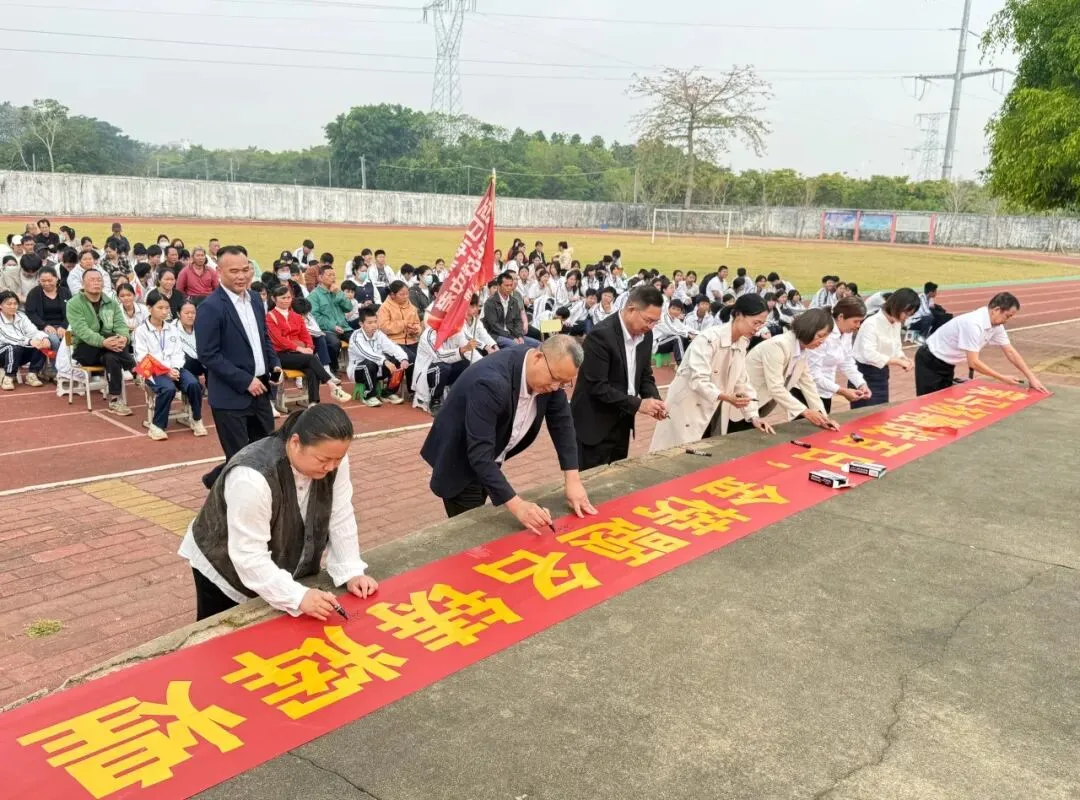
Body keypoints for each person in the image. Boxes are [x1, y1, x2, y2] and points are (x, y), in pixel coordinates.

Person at [179, 405, 378, 621]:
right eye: (322, 461)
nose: (331, 467)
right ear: (295, 443)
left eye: (337, 460)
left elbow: (340, 513)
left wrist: (351, 570)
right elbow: (248, 554)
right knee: (221, 638)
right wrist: (297, 595)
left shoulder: (331, 457)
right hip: (224, 565)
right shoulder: (252, 478)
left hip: (276, 559)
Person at [421, 336, 596, 528]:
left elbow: (562, 424)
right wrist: (518, 506)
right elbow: (479, 455)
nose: (555, 387)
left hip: (490, 451)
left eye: (563, 383)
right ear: (538, 357)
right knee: (473, 532)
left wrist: (573, 480)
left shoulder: (549, 378)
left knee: (489, 489)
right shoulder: (491, 383)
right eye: (555, 379)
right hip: (459, 459)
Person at [195, 246, 282, 490]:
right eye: (234, 271)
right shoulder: (211, 307)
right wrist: (245, 381)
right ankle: (233, 502)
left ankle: (216, 480)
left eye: (245, 269)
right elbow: (208, 355)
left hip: (261, 389)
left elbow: (263, 337)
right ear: (219, 271)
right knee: (240, 458)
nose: (241, 276)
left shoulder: (255, 299)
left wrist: (274, 364)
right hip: (231, 396)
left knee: (266, 450)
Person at [650, 294, 774, 451]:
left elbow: (742, 381)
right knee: (671, 455)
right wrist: (726, 397)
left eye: (762, 324)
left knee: (700, 454)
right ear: (738, 315)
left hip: (712, 406)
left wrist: (754, 416)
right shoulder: (708, 339)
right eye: (755, 323)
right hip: (686, 407)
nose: (758, 329)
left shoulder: (742, 343)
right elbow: (698, 381)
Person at [571, 286, 667, 470]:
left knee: (616, 480)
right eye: (648, 320)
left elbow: (645, 374)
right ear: (631, 309)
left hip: (622, 421)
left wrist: (654, 399)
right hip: (594, 424)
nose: (651, 326)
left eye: (655, 322)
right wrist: (639, 404)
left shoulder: (646, 336)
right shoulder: (600, 336)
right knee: (592, 483)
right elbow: (597, 386)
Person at [915, 292, 1049, 396]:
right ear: (996, 310)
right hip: (930, 360)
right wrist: (1002, 378)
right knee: (929, 406)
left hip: (947, 363)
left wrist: (1031, 378)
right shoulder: (974, 324)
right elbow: (974, 363)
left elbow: (1010, 352)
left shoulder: (996, 325)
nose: (1007, 320)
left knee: (943, 404)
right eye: (1007, 316)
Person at [744, 307, 839, 431]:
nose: (821, 341)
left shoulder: (801, 349)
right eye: (820, 336)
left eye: (825, 338)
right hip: (742, 405)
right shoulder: (778, 345)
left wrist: (823, 417)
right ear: (808, 329)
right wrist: (806, 412)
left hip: (758, 405)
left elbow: (808, 383)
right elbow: (776, 387)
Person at [134, 290, 208, 441]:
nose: (164, 312)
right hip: (151, 371)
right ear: (149, 308)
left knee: (194, 384)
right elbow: (143, 358)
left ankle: (196, 418)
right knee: (168, 389)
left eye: (166, 308)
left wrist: (174, 368)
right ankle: (157, 426)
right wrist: (166, 371)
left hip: (174, 369)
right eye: (159, 308)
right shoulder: (140, 331)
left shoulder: (172, 329)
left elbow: (178, 353)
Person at [265, 284, 351, 408]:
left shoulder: (296, 316)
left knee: (312, 370)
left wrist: (309, 347)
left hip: (298, 355)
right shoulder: (270, 317)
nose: (286, 300)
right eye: (283, 298)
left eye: (288, 297)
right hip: (279, 355)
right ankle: (332, 385)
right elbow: (279, 340)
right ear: (274, 299)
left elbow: (305, 334)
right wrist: (300, 348)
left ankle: (313, 403)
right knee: (312, 359)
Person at [66, 268, 135, 415]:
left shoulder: (111, 303)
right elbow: (83, 331)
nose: (96, 283)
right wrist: (104, 342)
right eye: (92, 280)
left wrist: (123, 337)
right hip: (85, 349)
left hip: (110, 348)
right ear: (83, 284)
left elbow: (121, 326)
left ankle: (115, 400)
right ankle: (136, 371)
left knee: (112, 356)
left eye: (99, 280)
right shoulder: (74, 303)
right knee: (113, 348)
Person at [801, 296, 870, 414]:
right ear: (841, 317)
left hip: (826, 389)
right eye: (856, 321)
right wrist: (842, 391)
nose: (858, 326)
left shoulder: (846, 332)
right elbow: (813, 374)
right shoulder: (822, 333)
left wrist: (861, 383)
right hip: (805, 391)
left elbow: (847, 361)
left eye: (860, 321)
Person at [850, 288, 918, 408]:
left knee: (880, 413)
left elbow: (896, 347)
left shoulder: (896, 323)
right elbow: (869, 354)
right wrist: (897, 361)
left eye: (910, 315)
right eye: (906, 313)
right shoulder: (871, 324)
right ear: (897, 306)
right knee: (865, 415)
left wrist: (903, 358)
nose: (906, 318)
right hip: (863, 375)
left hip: (881, 374)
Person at [348, 307, 409, 407]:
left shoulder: (379, 334)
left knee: (397, 361)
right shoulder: (356, 337)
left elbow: (392, 347)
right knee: (369, 363)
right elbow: (367, 353)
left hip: (377, 369)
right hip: (358, 371)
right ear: (361, 324)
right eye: (369, 323)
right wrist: (384, 361)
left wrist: (403, 358)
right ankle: (369, 395)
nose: (373, 325)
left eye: (375, 322)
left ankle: (388, 393)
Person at [411, 318, 473, 415]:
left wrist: (483, 366)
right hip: (426, 370)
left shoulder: (455, 330)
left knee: (466, 363)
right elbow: (441, 356)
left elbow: (470, 353)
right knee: (443, 367)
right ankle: (435, 401)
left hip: (445, 367)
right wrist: (462, 350)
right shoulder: (430, 333)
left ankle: (456, 395)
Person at [0, 290, 50, 390]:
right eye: (8, 304)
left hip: (19, 352)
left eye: (15, 304)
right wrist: (29, 341)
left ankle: (32, 374)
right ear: (0, 305)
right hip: (2, 354)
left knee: (41, 345)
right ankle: (8, 377)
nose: (12, 306)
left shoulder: (21, 316)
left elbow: (33, 331)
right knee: (13, 347)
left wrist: (44, 338)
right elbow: (8, 337)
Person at [483, 270, 539, 349]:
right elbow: (494, 326)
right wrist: (511, 337)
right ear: (499, 286)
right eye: (506, 285)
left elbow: (518, 321)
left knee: (538, 344)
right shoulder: (490, 303)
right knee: (518, 347)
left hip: (513, 334)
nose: (509, 288)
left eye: (510, 285)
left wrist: (519, 335)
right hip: (496, 335)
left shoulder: (513, 301)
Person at [309, 264, 353, 361]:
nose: (332, 278)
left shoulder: (337, 291)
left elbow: (349, 308)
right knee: (334, 343)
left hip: (344, 328)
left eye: (334, 275)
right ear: (320, 277)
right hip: (326, 330)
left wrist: (339, 294)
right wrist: (333, 326)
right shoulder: (314, 296)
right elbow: (315, 317)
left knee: (358, 340)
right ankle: (333, 367)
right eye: (329, 275)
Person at [376, 279, 422, 370]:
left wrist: (415, 330)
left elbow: (417, 323)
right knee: (412, 358)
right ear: (392, 295)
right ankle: (408, 384)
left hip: (411, 340)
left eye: (407, 293)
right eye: (402, 294)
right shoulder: (385, 307)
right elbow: (384, 327)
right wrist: (404, 324)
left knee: (423, 358)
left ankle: (414, 384)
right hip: (394, 342)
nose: (405, 296)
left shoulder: (411, 307)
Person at [25, 265, 69, 351]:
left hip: (63, 325)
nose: (47, 283)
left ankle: (68, 363)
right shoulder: (34, 293)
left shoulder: (65, 292)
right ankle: (56, 364)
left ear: (56, 278)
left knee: (68, 339)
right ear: (39, 280)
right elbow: (31, 313)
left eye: (50, 280)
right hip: (44, 327)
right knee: (54, 340)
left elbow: (71, 311)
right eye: (43, 281)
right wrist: (44, 325)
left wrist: (64, 326)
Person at [653, 298, 693, 365]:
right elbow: (672, 330)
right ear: (668, 309)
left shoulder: (675, 319)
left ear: (681, 311)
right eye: (673, 308)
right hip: (656, 345)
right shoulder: (663, 317)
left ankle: (688, 361)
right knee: (677, 337)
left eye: (678, 310)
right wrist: (688, 334)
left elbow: (685, 328)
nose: (675, 311)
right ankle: (681, 364)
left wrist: (697, 333)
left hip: (665, 343)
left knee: (687, 339)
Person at [174, 300, 204, 379]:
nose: (190, 316)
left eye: (193, 313)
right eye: (186, 313)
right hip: (184, 364)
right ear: (178, 314)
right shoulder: (172, 329)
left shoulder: (202, 324)